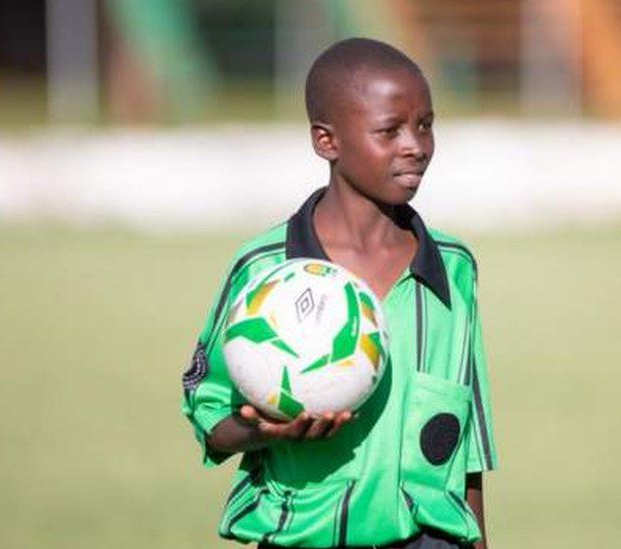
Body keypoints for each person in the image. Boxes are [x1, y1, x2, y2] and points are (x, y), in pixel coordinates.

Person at [181, 38, 497, 548]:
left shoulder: (453, 268)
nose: (415, 144)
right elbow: (210, 414)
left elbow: (467, 446)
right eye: (389, 130)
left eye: (425, 124)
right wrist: (263, 431)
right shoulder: (264, 270)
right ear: (327, 141)